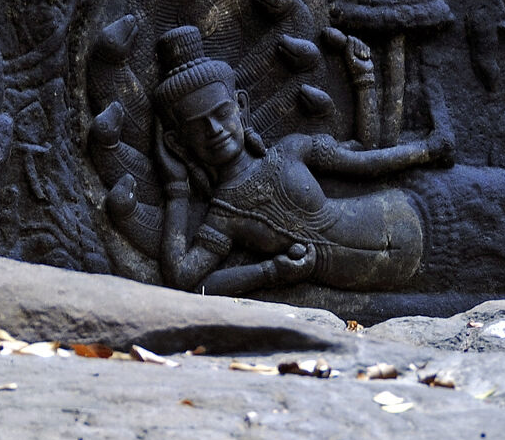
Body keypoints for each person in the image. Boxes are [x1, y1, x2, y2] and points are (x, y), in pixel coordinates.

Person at [143, 25, 450, 295]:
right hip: (392, 276)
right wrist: (176, 187)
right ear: (177, 141)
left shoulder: (290, 150)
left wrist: (426, 148)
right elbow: (184, 279)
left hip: (415, 210)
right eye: (198, 126)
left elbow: (365, 157)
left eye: (222, 114)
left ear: (240, 106)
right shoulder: (224, 215)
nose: (215, 130)